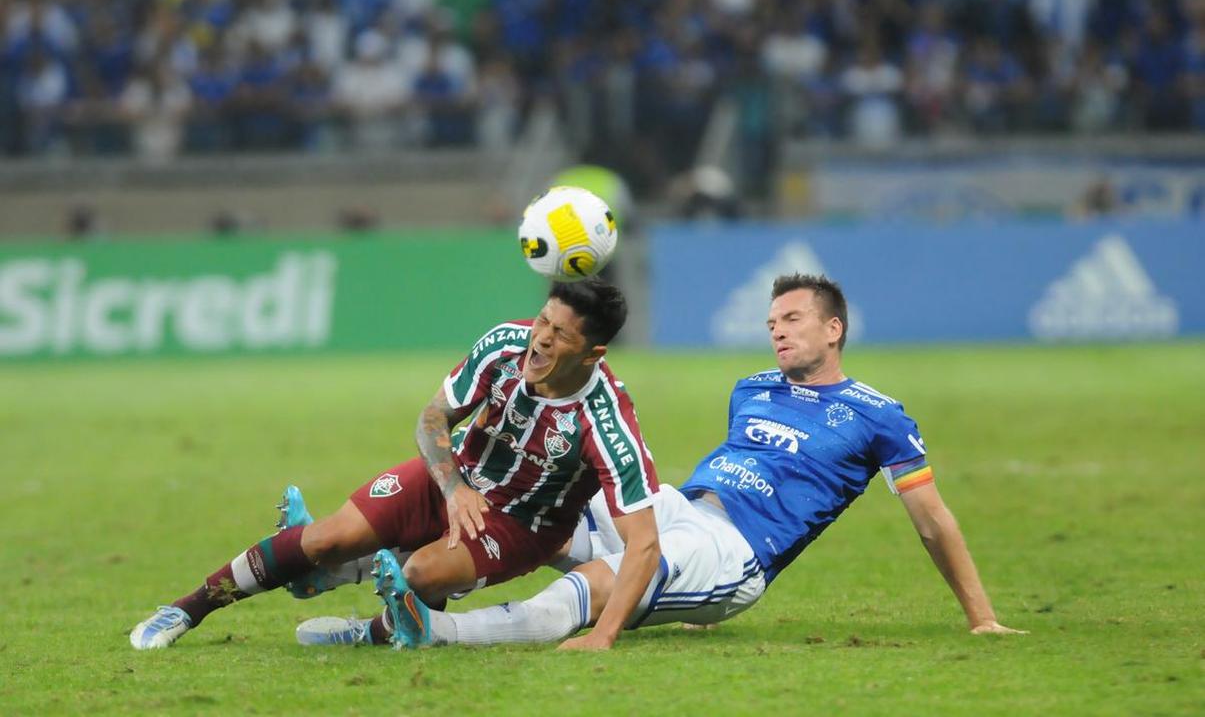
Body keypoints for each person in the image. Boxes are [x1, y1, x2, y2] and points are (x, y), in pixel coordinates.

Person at [297, 273, 1022, 650]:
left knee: (599, 582)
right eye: (770, 322)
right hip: (680, 506)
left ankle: (421, 633)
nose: (776, 332)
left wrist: (980, 618)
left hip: (731, 552)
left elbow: (929, 520)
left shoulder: (879, 415)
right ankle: (344, 566)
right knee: (538, 499)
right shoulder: (752, 389)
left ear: (834, 329)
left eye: (792, 320)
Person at [129, 280, 662, 650]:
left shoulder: (606, 422)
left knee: (422, 574)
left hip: (519, 526)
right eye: (543, 320)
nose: (541, 338)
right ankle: (188, 608)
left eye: (560, 334)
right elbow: (434, 416)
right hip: (451, 481)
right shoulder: (505, 345)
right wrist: (453, 487)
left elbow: (644, 543)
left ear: (593, 354)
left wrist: (602, 635)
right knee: (326, 537)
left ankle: (368, 629)